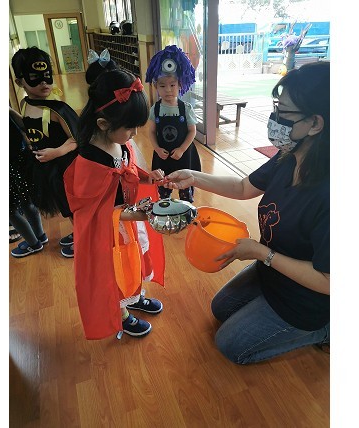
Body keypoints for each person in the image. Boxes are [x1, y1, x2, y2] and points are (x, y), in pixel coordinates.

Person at [163, 61, 330, 364]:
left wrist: (261, 253)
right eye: (275, 108)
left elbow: (328, 281)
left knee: (230, 345)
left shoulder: (328, 195)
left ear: (316, 124)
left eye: (284, 112)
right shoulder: (288, 157)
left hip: (306, 297)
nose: (275, 119)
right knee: (220, 309)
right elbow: (243, 188)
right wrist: (193, 176)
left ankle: (323, 330)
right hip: (273, 271)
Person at [64, 69, 166, 339]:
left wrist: (148, 177)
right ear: (102, 124)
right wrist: (134, 215)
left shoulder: (120, 142)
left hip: (127, 220)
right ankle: (121, 314)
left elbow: (129, 170)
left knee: (134, 261)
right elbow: (93, 213)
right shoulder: (89, 161)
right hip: (107, 233)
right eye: (130, 128)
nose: (134, 134)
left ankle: (136, 296)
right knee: (115, 271)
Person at [11, 46, 79, 258]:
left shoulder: (57, 109)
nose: (44, 83)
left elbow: (78, 138)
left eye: (47, 76)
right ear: (20, 82)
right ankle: (79, 231)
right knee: (63, 204)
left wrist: (57, 152)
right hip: (45, 168)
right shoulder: (26, 104)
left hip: (65, 167)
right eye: (35, 78)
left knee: (71, 205)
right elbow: (28, 125)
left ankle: (83, 237)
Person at [145, 45, 201, 203]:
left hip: (183, 155)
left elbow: (192, 131)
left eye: (172, 85)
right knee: (163, 189)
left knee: (185, 189)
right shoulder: (155, 109)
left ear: (180, 85)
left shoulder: (186, 108)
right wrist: (156, 148)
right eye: (162, 86)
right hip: (162, 156)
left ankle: (186, 207)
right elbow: (151, 132)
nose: (168, 90)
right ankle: (165, 206)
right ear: (156, 86)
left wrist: (182, 149)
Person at [9, 107, 48, 257]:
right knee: (26, 201)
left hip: (11, 163)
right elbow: (24, 126)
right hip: (20, 159)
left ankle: (33, 244)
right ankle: (40, 236)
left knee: (10, 210)